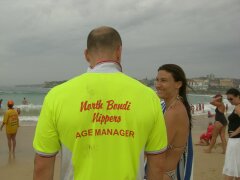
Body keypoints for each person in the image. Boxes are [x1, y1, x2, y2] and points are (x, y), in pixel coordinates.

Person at [33, 26, 168, 180]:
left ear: (86, 55)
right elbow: (157, 166)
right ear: (119, 52)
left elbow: (42, 166)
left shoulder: (56, 96)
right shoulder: (149, 97)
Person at [155, 64, 193, 180]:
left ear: (178, 84)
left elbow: (157, 149)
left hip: (164, 175)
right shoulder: (175, 105)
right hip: (170, 172)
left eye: (164, 81)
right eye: (157, 80)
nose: (158, 85)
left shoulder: (173, 113)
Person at [223, 88, 240, 180]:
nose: (229, 101)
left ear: (238, 96)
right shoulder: (237, 106)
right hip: (236, 140)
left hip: (236, 141)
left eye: (231, 99)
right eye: (228, 99)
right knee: (236, 167)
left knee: (232, 167)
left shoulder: (238, 107)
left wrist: (234, 133)